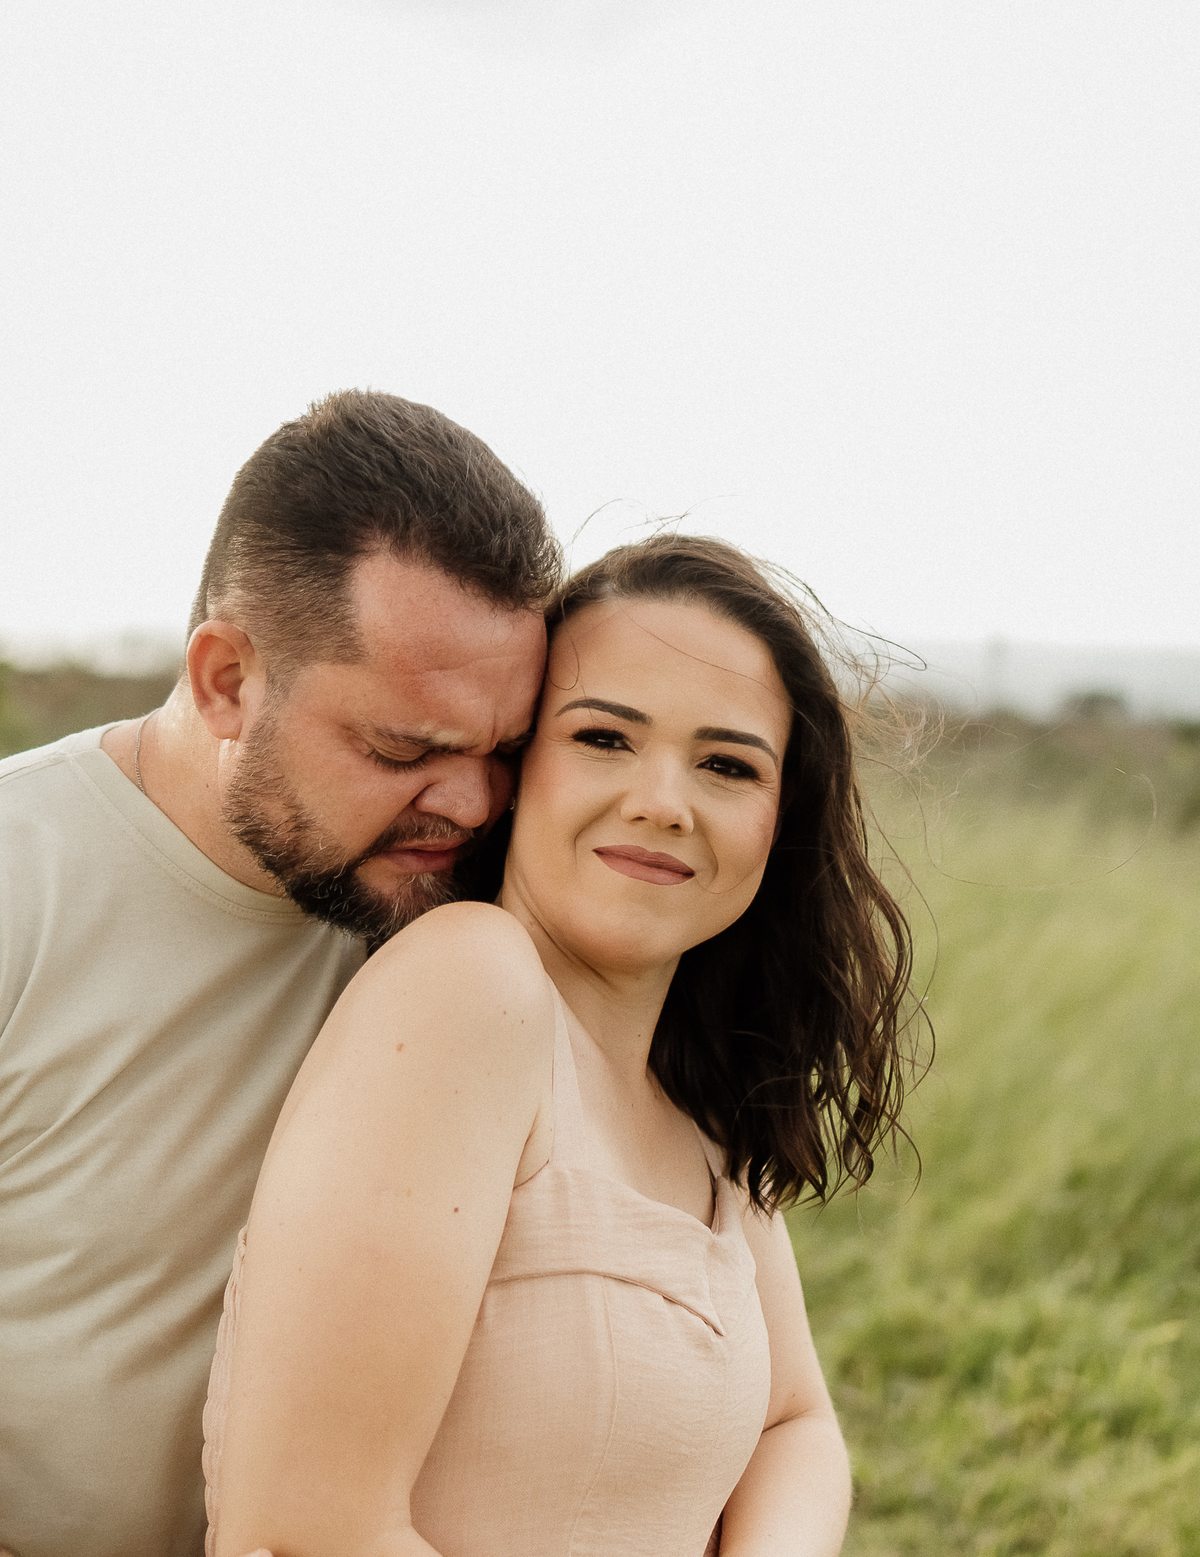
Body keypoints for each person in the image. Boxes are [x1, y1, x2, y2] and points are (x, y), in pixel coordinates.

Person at [203, 534, 917, 1557]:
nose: (662, 802)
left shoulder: (695, 1096)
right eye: (604, 738)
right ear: (514, 769)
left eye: (727, 764)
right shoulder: (469, 985)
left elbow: (794, 1426)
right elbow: (308, 1530)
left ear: (780, 818)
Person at [0, 391, 559, 1557]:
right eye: (403, 749)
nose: (470, 803)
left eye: (505, 750)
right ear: (226, 682)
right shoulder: (20, 879)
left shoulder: (478, 903)